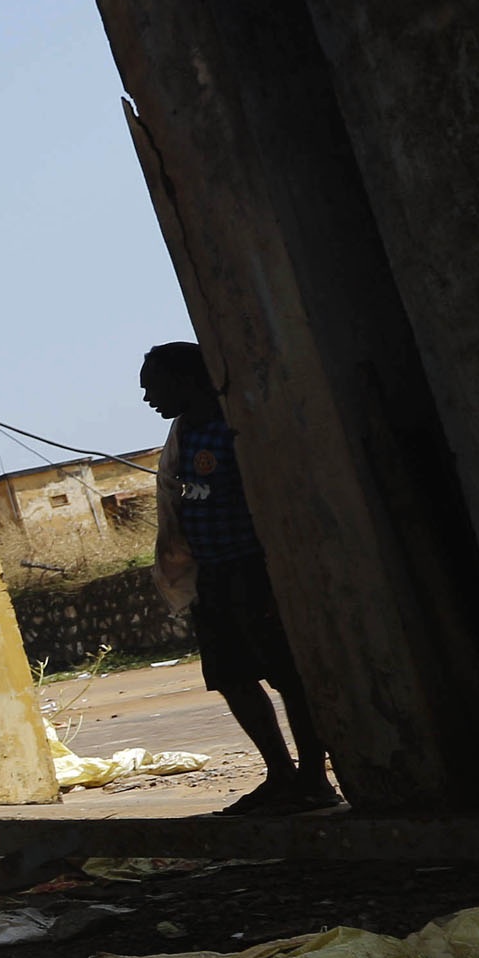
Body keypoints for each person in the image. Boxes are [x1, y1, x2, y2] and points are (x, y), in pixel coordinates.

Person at [142, 342, 335, 814]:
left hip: (255, 571)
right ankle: (281, 774)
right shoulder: (183, 435)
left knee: (287, 676)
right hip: (215, 576)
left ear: (186, 380)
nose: (148, 399)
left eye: (154, 386)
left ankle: (313, 778)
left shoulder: (235, 426)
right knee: (231, 675)